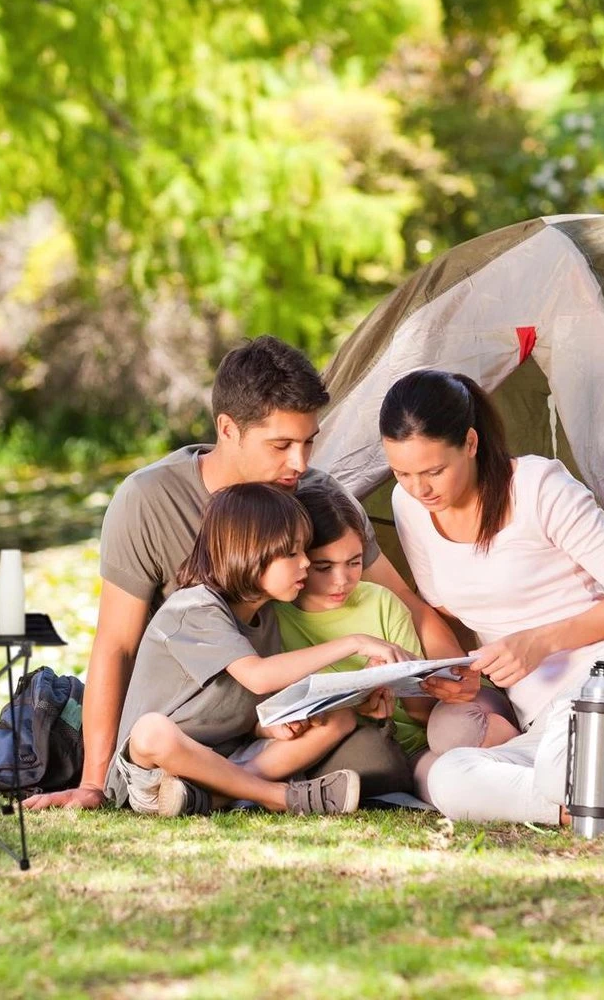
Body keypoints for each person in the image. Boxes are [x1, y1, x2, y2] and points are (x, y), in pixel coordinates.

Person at [26, 336, 475, 811]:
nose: (300, 464)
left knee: (373, 761)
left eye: (308, 442)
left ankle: (216, 790)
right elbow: (116, 645)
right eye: (281, 445)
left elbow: (406, 602)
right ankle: (246, 790)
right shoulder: (150, 501)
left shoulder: (318, 494)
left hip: (273, 721)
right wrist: (93, 783)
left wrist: (455, 678)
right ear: (228, 429)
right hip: (190, 720)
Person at [379, 368, 604, 825]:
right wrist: (467, 675)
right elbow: (452, 608)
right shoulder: (410, 506)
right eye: (401, 473)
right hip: (540, 723)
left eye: (434, 471)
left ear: (471, 443)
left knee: (571, 749)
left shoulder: (539, 488)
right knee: (448, 774)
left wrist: (540, 641)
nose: (419, 488)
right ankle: (576, 807)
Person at [104, 483, 412, 816]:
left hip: (229, 760)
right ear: (248, 553)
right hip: (157, 771)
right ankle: (278, 796)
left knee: (337, 718)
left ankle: (218, 795)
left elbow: (242, 709)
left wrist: (271, 725)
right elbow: (258, 677)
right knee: (150, 731)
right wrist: (354, 642)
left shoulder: (265, 616)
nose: (305, 562)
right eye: (292, 553)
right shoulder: (193, 609)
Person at [275, 482, 519, 798]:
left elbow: (422, 713)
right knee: (448, 786)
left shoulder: (380, 601)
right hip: (393, 752)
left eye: (354, 562)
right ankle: (523, 781)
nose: (342, 581)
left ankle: (529, 754)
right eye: (324, 567)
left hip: (432, 727)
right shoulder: (277, 618)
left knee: (455, 730)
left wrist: (402, 676)